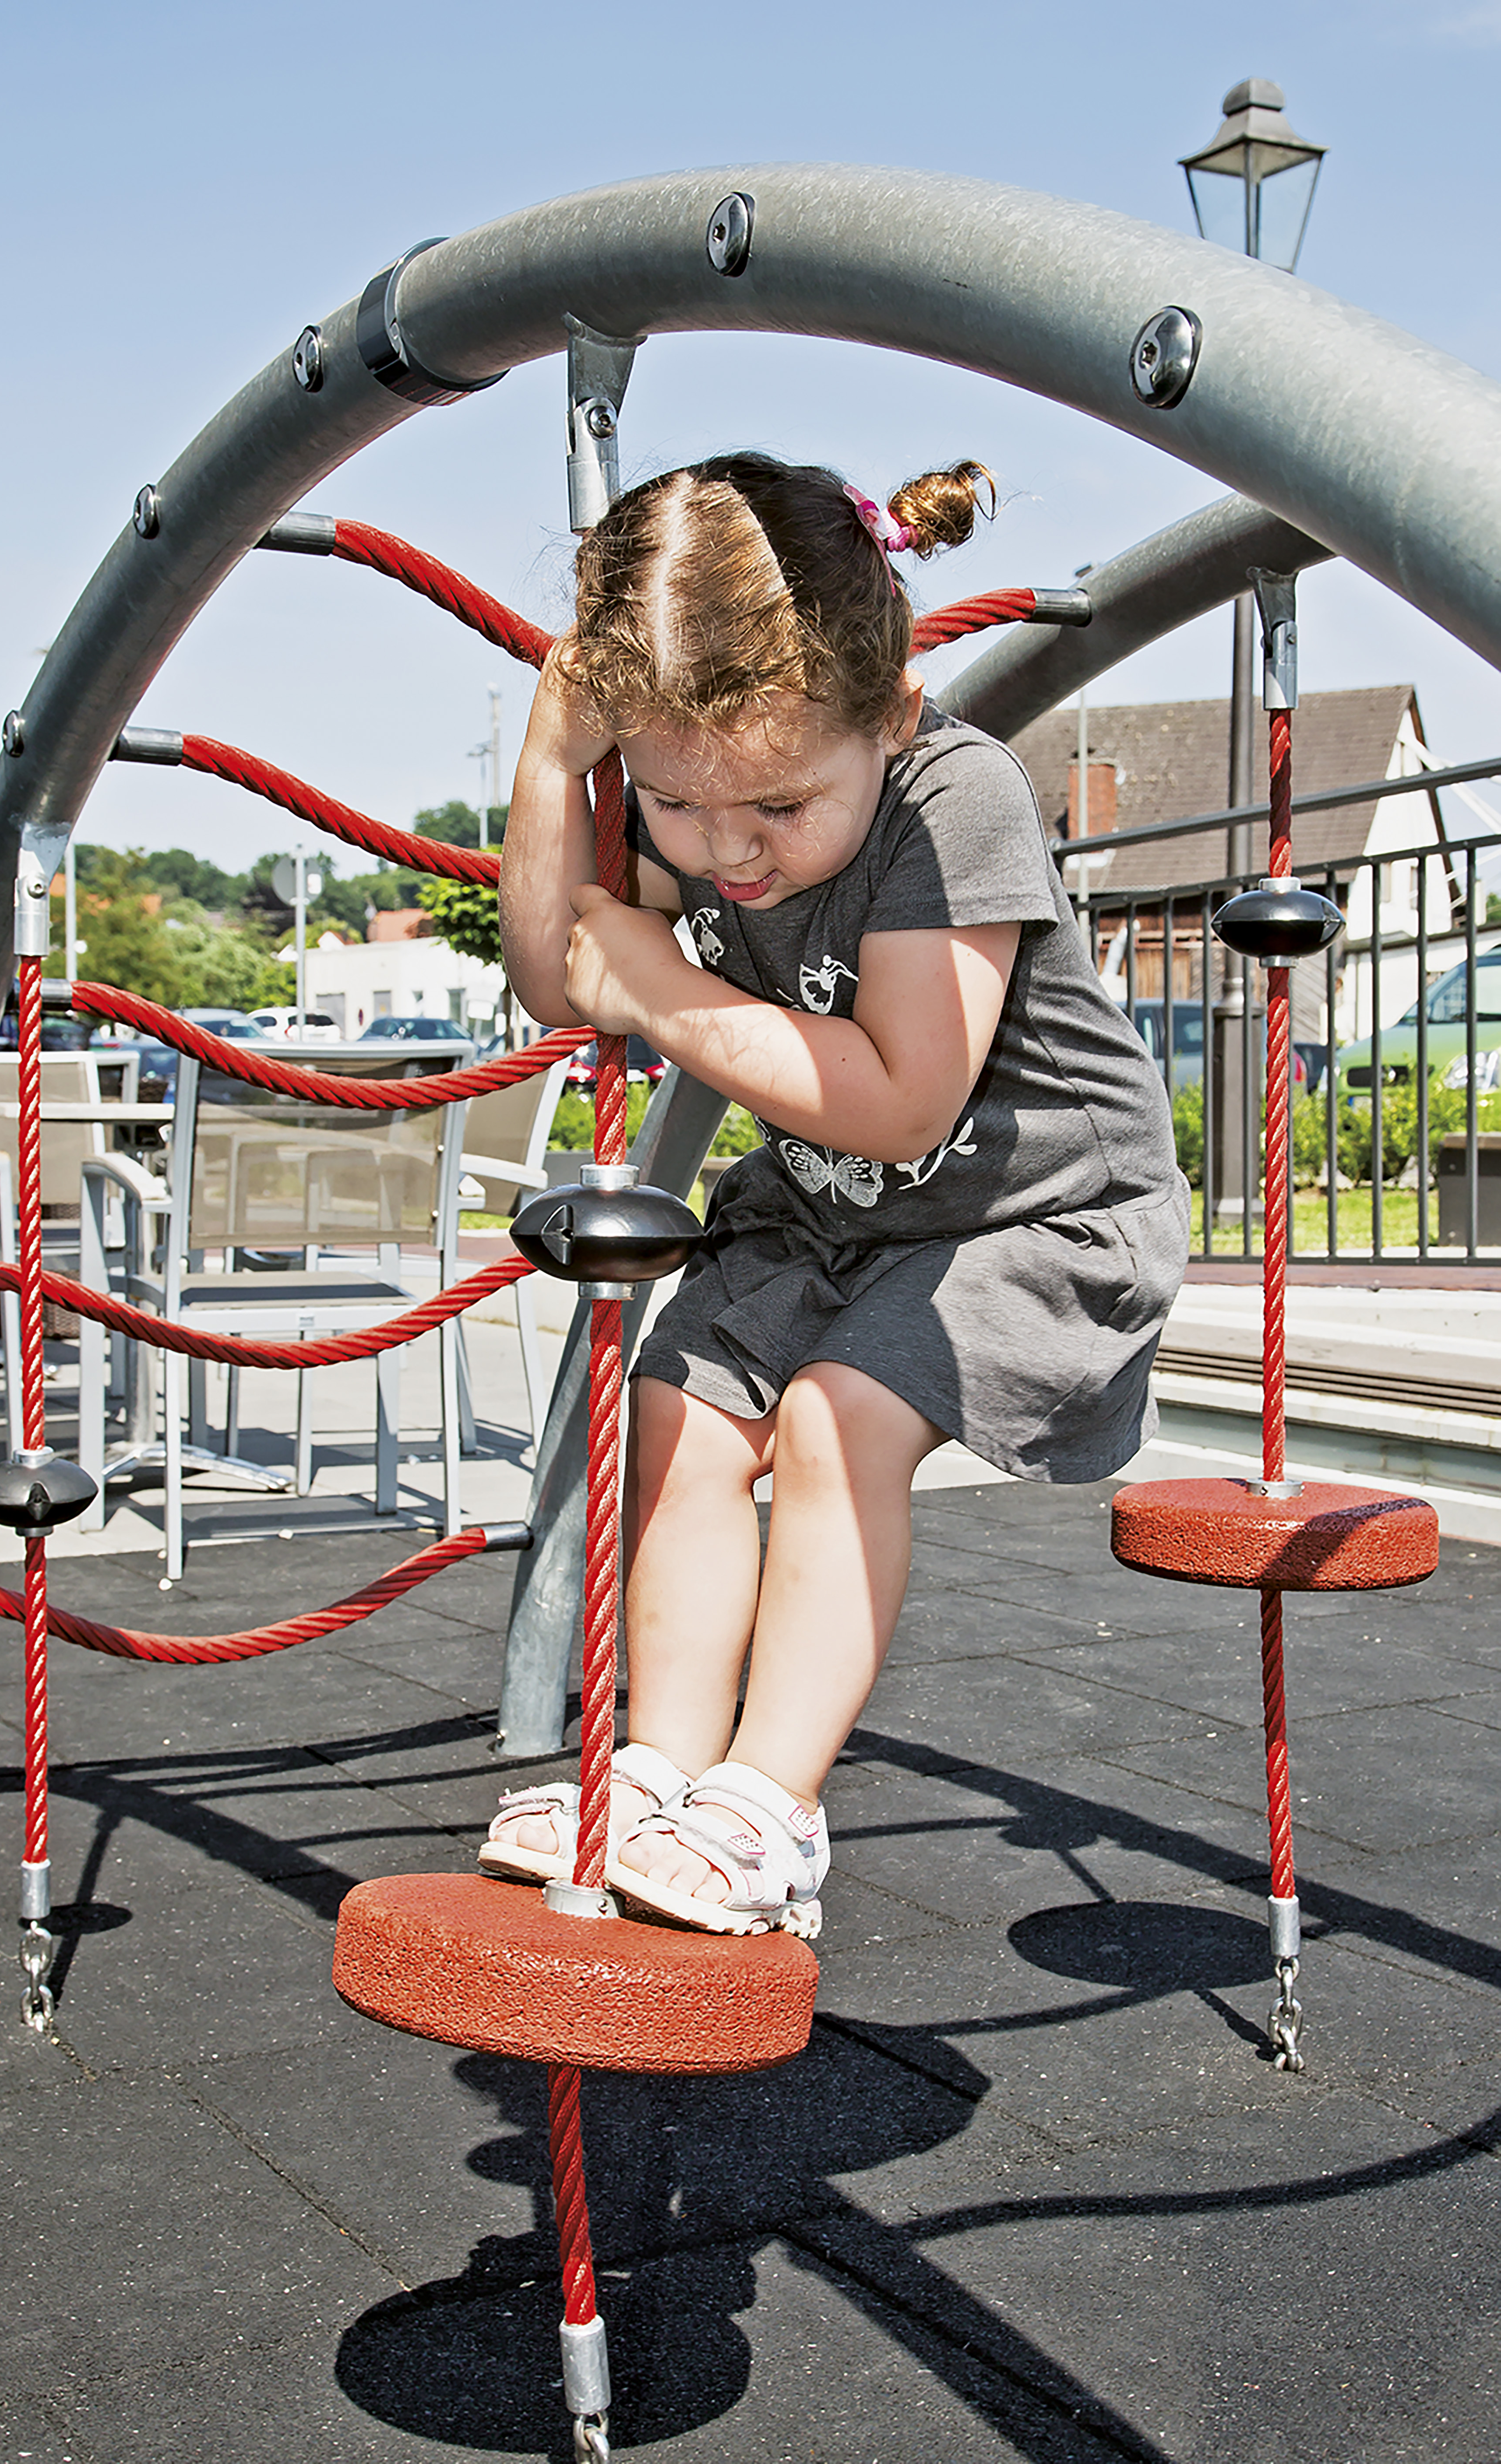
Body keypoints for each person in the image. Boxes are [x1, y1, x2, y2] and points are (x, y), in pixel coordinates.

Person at [481, 451, 1189, 1938]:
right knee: (675, 1411)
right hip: (832, 1214)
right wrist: (558, 755)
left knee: (830, 1419)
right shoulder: (720, 802)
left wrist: (666, 983)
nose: (728, 850)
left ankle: (770, 1808)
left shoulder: (955, 798)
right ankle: (665, 1776)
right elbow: (559, 972)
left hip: (1033, 1208)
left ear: (894, 715)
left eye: (780, 806)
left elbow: (903, 1092)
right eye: (673, 803)